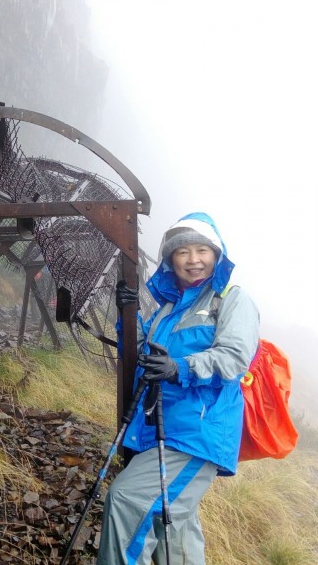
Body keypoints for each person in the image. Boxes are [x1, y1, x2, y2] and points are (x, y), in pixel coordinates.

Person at [98, 212, 259, 565]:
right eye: (183, 252)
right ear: (171, 259)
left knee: (126, 499)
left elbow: (234, 358)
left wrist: (180, 368)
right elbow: (143, 355)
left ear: (217, 255)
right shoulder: (169, 306)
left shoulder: (232, 299)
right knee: (173, 525)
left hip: (196, 432)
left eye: (202, 250)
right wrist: (129, 315)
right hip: (162, 428)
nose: (193, 260)